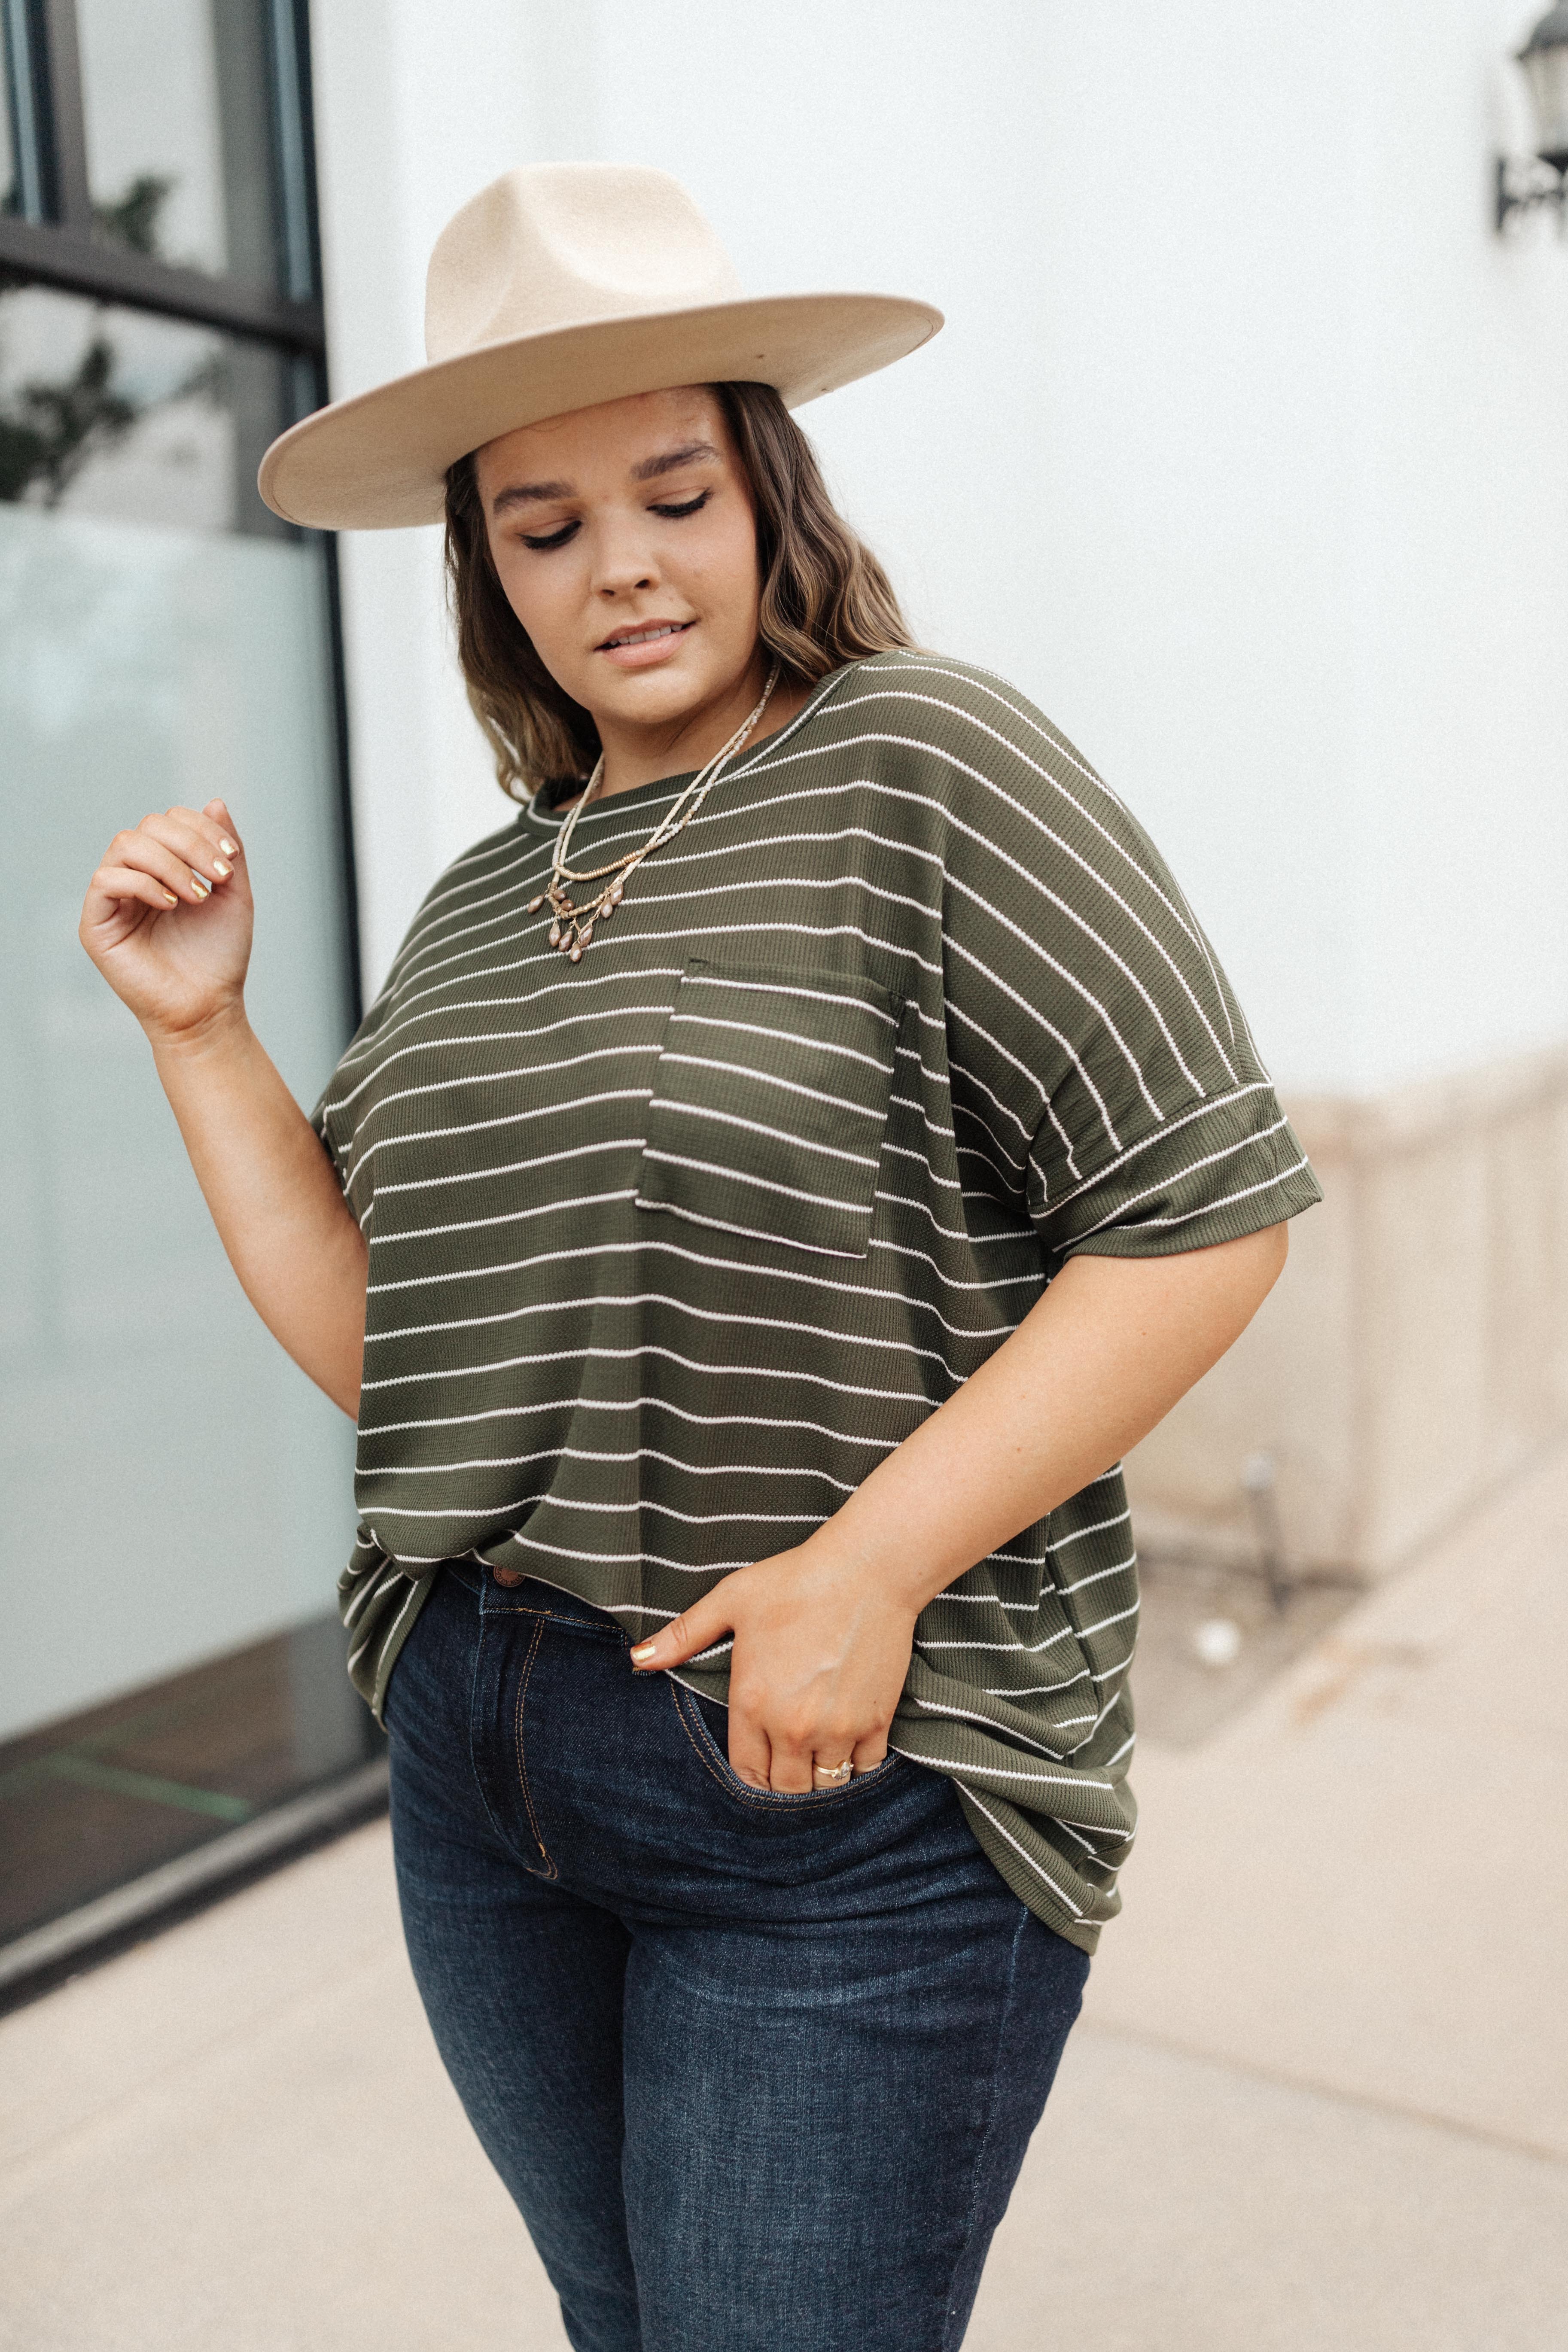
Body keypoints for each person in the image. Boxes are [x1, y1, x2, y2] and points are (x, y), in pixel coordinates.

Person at [79, 165, 1321, 2352]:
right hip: (485, 1744)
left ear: (767, 486)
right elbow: (406, 1366)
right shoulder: (485, 899)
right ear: (488, 569)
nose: (623, 565)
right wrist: (202, 1036)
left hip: (839, 1780)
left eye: (670, 490)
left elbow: (1201, 1221)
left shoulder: (924, 761)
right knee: (618, 2317)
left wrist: (863, 1574)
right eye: (546, 528)